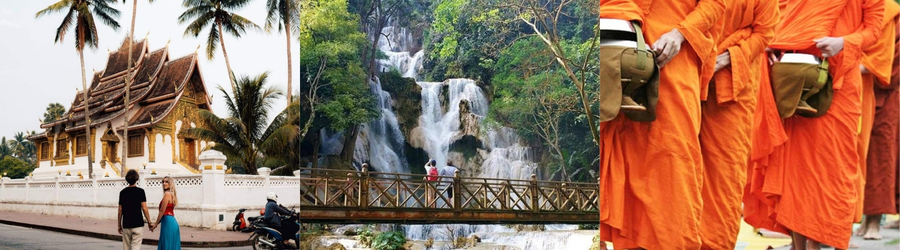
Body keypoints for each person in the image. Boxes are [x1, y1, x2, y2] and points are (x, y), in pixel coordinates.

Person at [743, 0, 885, 249]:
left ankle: (819, 241)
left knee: (834, 169)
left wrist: (843, 42)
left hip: (841, 83)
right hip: (798, 80)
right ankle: (800, 246)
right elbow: (782, 16)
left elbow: (873, 30)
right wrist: (776, 45)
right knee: (796, 170)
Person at [598, 0, 724, 249]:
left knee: (672, 167)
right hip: (618, 51)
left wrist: (680, 34)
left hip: (672, 58)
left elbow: (716, 4)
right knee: (615, 166)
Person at [699, 0, 778, 249]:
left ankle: (716, 243)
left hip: (735, 86)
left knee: (726, 173)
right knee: (681, 165)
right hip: (690, 74)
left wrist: (728, 57)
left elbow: (766, 31)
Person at [857, 0, 900, 240]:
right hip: (856, 91)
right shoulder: (856, 8)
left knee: (880, 159)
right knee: (857, 158)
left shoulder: (893, 13)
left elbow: (892, 61)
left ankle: (874, 222)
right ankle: (862, 219)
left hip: (884, 94)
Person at [118, 169, 153, 250]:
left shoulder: (122, 193)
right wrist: (149, 222)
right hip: (138, 224)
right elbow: (144, 208)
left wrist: (119, 225)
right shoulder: (140, 192)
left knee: (126, 248)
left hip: (126, 224)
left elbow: (120, 210)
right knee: (136, 248)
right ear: (137, 179)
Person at [151, 176, 181, 250]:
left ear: (170, 184)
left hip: (168, 224)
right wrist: (157, 224)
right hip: (171, 222)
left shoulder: (167, 194)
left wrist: (155, 225)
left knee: (166, 245)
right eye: (163, 182)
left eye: (166, 182)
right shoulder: (172, 194)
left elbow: (162, 211)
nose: (164, 183)